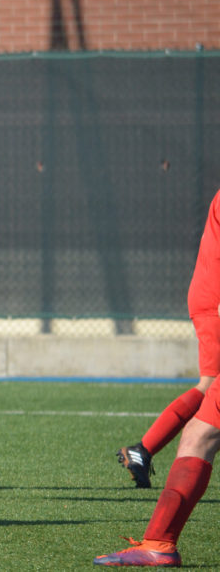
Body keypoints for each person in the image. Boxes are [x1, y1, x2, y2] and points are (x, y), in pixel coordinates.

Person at [94, 188, 220, 566]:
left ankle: (159, 539)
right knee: (203, 423)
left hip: (211, 303)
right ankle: (159, 540)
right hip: (211, 304)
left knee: (205, 410)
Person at [116, 189, 220, 490]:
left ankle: (143, 450)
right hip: (213, 300)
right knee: (211, 385)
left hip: (209, 297)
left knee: (211, 384)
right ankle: (143, 450)